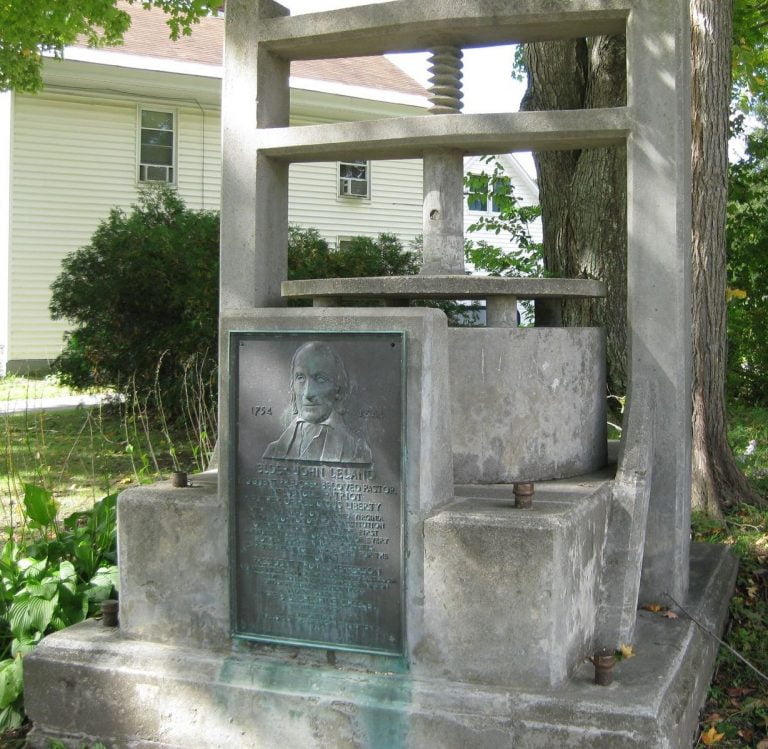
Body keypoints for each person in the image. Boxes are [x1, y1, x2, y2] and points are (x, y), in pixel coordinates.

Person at [262, 341, 373, 464]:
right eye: (300, 378)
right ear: (292, 386)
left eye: (320, 379)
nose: (308, 393)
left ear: (338, 390)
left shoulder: (357, 452)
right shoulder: (273, 451)